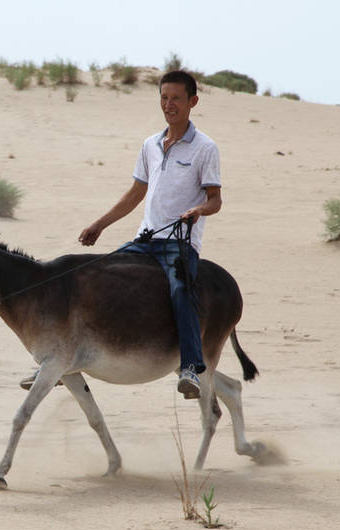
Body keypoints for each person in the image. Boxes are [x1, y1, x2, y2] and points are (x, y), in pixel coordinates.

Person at [21, 70, 221, 399]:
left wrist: (197, 211)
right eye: (164, 98)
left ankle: (189, 367)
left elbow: (215, 200)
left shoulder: (205, 148)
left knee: (181, 291)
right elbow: (134, 195)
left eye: (176, 99)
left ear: (192, 102)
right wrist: (100, 224)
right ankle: (60, 361)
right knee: (94, 276)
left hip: (179, 245)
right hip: (145, 241)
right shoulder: (151, 145)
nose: (169, 105)